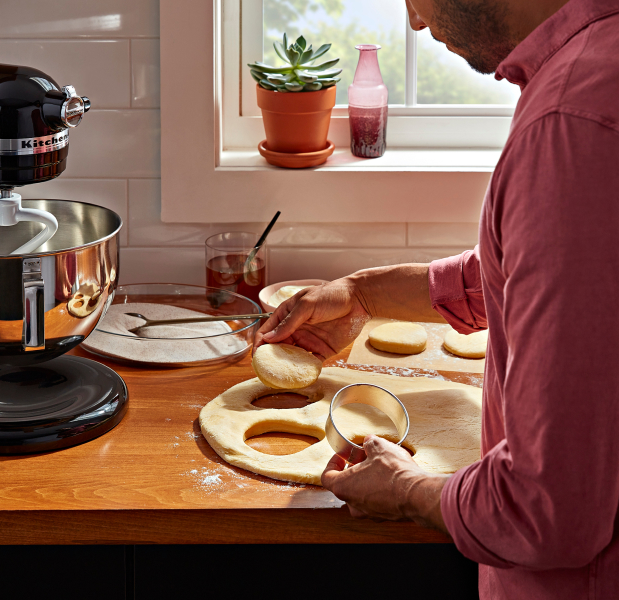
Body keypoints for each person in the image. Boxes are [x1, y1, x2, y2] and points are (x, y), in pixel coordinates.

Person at [254, 0, 619, 597]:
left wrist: (407, 490)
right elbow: (554, 278)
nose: (416, 20)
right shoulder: (599, 64)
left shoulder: (571, 121)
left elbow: (549, 508)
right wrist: (361, 295)